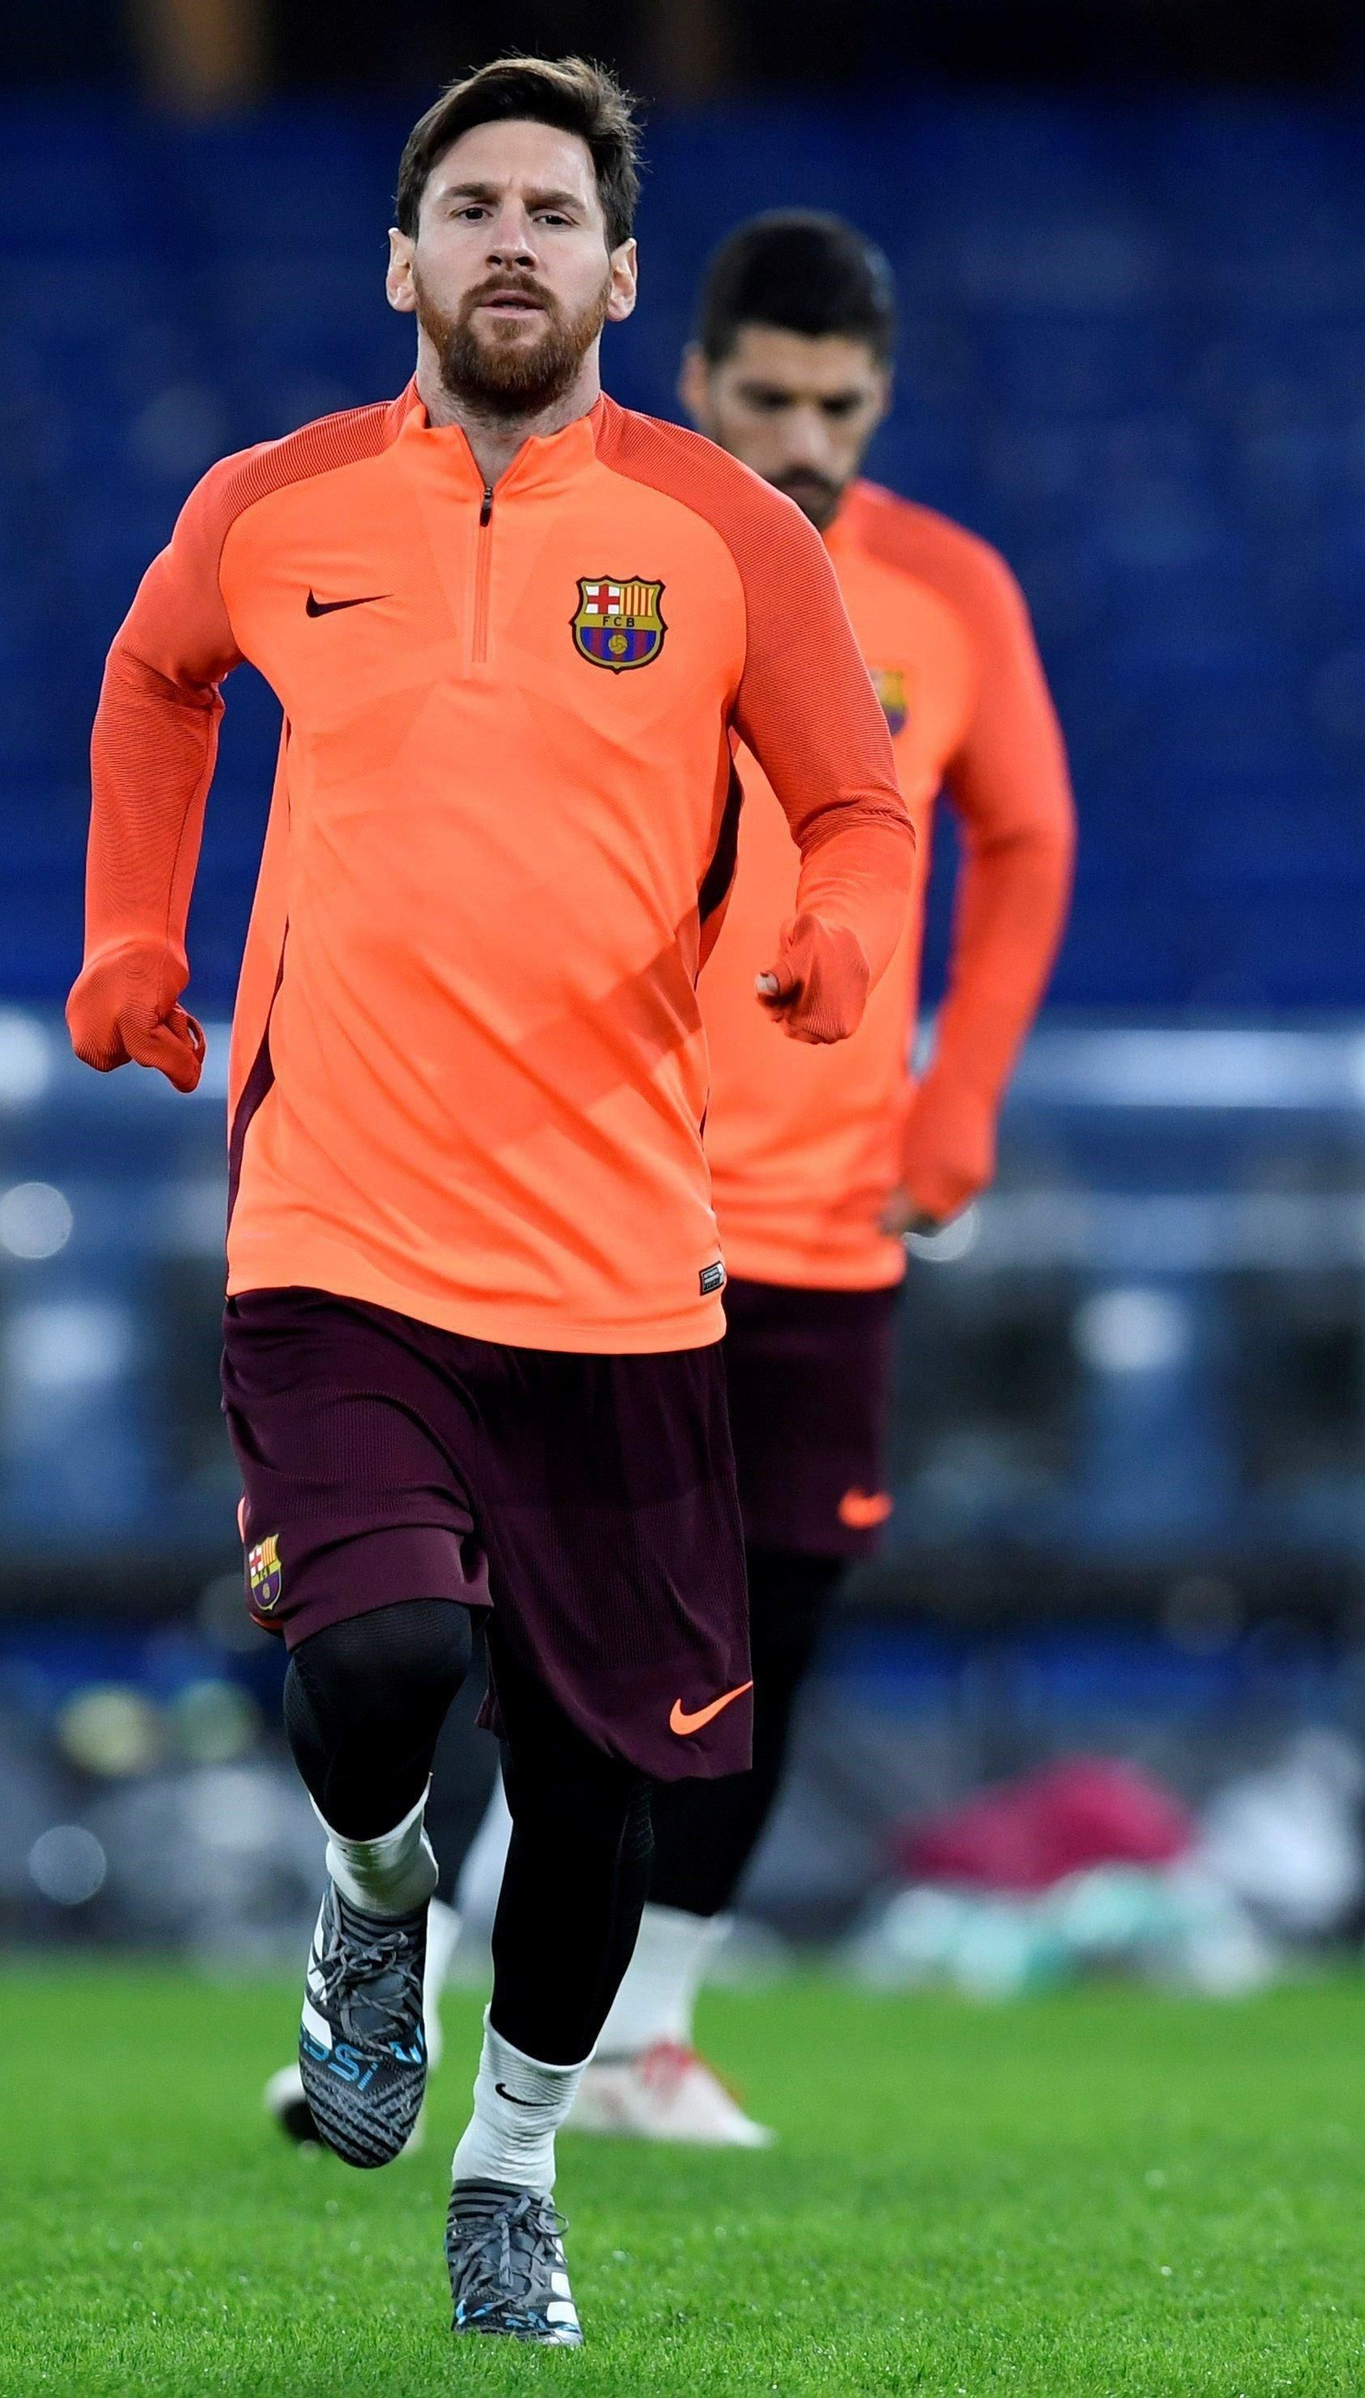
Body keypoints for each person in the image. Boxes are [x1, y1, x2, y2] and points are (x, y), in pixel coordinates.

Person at [67, 62, 914, 2344]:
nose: (511, 238)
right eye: (470, 205)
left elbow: (855, 801)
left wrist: (836, 928)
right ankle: (366, 1893)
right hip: (334, 1218)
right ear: (402, 260)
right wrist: (131, 932)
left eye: (554, 208)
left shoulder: (735, 534)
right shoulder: (270, 504)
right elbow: (156, 686)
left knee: (602, 1779)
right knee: (374, 1656)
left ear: (623, 274)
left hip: (623, 1256)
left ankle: (513, 2159)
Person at [569, 210, 1075, 2143]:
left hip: (826, 1220)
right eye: (764, 395)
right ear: (692, 378)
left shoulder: (946, 593)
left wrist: (960, 1102)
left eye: (836, 404)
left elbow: (1024, 840)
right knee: (529, 1616)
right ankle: (403, 1997)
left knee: (772, 1623)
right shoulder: (595, 555)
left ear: (878, 398)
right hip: (595, 1194)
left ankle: (647, 2035)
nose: (801, 435)